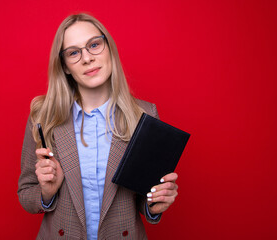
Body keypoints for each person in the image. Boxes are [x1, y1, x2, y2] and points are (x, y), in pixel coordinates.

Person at [18, 13, 179, 239]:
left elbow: (144, 199)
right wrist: (47, 192)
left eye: (94, 45)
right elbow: (26, 194)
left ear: (109, 49)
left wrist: (155, 203)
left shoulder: (143, 115)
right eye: (74, 52)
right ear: (64, 66)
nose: (87, 58)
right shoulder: (44, 118)